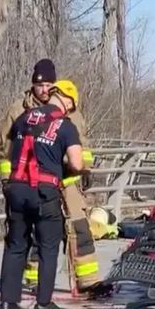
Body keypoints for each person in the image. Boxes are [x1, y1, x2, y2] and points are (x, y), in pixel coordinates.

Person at [0, 86, 84, 309]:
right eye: (71, 106)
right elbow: (76, 163)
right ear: (66, 101)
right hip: (44, 193)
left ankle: (7, 302)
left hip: (17, 189)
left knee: (15, 245)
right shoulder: (65, 126)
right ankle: (43, 304)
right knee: (48, 247)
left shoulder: (23, 118)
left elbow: (10, 150)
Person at [0, 59, 58, 289]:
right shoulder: (17, 110)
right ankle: (22, 283)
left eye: (49, 85)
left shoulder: (59, 110)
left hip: (46, 184)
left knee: (47, 237)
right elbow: (4, 148)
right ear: (33, 85)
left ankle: (36, 283)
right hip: (20, 182)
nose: (44, 90)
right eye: (40, 85)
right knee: (18, 236)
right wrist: (6, 180)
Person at [50, 79, 99, 292]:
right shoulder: (33, 115)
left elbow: (83, 147)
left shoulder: (75, 118)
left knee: (79, 229)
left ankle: (88, 280)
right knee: (43, 232)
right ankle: (35, 279)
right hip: (44, 182)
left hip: (70, 181)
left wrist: (85, 168)